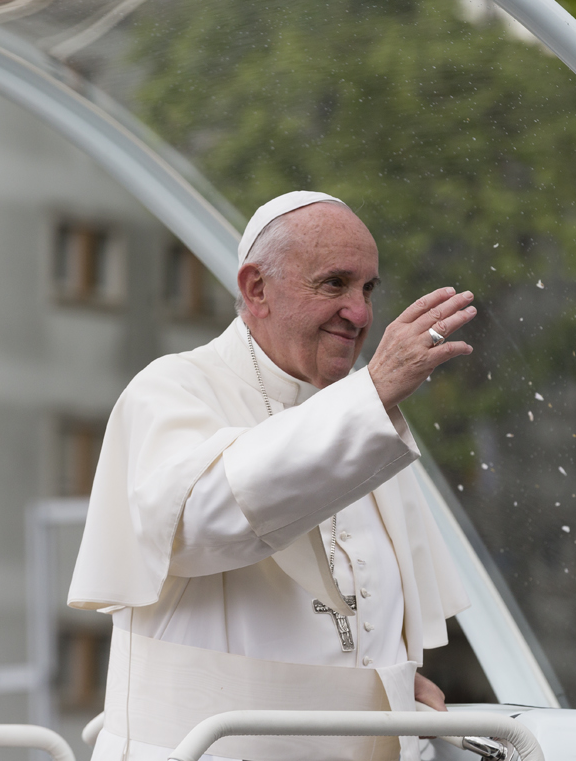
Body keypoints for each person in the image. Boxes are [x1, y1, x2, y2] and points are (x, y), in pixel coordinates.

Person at [69, 191, 476, 761]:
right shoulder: (172, 389)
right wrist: (371, 396)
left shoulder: (366, 416)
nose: (360, 313)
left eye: (367, 289)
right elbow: (198, 523)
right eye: (334, 284)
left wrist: (387, 690)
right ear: (257, 288)